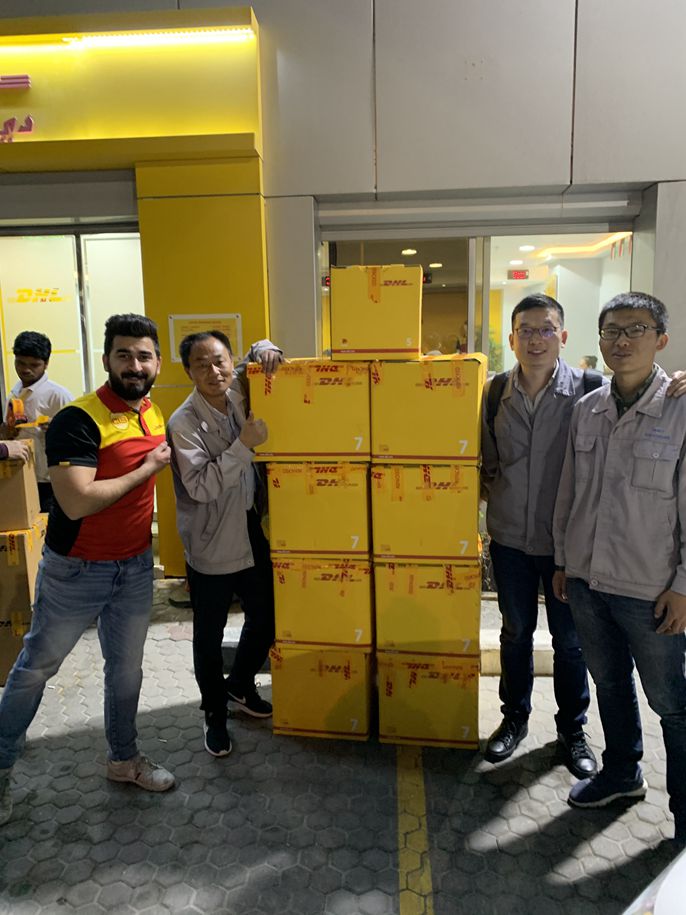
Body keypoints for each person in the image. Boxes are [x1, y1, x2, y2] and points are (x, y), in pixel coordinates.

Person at [481, 293, 686, 777]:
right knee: (515, 633)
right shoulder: (493, 393)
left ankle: (572, 731)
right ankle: (514, 718)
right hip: (511, 540)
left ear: (564, 337)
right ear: (512, 338)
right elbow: (487, 463)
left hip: (570, 551)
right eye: (526, 330)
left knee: (570, 643)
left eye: (546, 329)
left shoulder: (590, 392)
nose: (536, 340)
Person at [0, 313, 174, 828]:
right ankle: (1, 767)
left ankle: (124, 759)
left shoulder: (153, 413)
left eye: (144, 356)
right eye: (124, 355)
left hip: (134, 568)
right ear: (106, 361)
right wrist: (148, 468)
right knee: (36, 669)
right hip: (77, 570)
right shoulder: (78, 418)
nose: (135, 365)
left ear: (157, 363)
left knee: (126, 670)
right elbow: (77, 502)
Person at [553, 292, 686, 845]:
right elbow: (569, 492)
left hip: (650, 588)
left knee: (672, 704)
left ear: (661, 339)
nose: (622, 341)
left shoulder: (681, 409)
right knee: (608, 683)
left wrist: (683, 586)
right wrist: (563, 562)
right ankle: (622, 774)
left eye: (636, 329)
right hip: (588, 579)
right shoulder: (588, 409)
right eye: (611, 331)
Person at [167, 331, 282, 758]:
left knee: (267, 616)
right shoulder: (183, 423)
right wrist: (244, 446)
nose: (214, 371)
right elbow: (200, 487)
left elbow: (259, 352)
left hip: (249, 528)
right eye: (201, 365)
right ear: (188, 372)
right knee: (209, 636)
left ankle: (240, 685)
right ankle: (214, 713)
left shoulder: (237, 391)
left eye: (220, 361)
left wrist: (266, 347)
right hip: (210, 538)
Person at [1, 331, 73, 512]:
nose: (26, 369)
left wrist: (57, 429)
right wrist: (7, 432)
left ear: (46, 363)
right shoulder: (13, 394)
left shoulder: (58, 396)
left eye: (34, 365)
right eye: (20, 363)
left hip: (50, 480)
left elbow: (76, 437)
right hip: (19, 474)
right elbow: (6, 434)